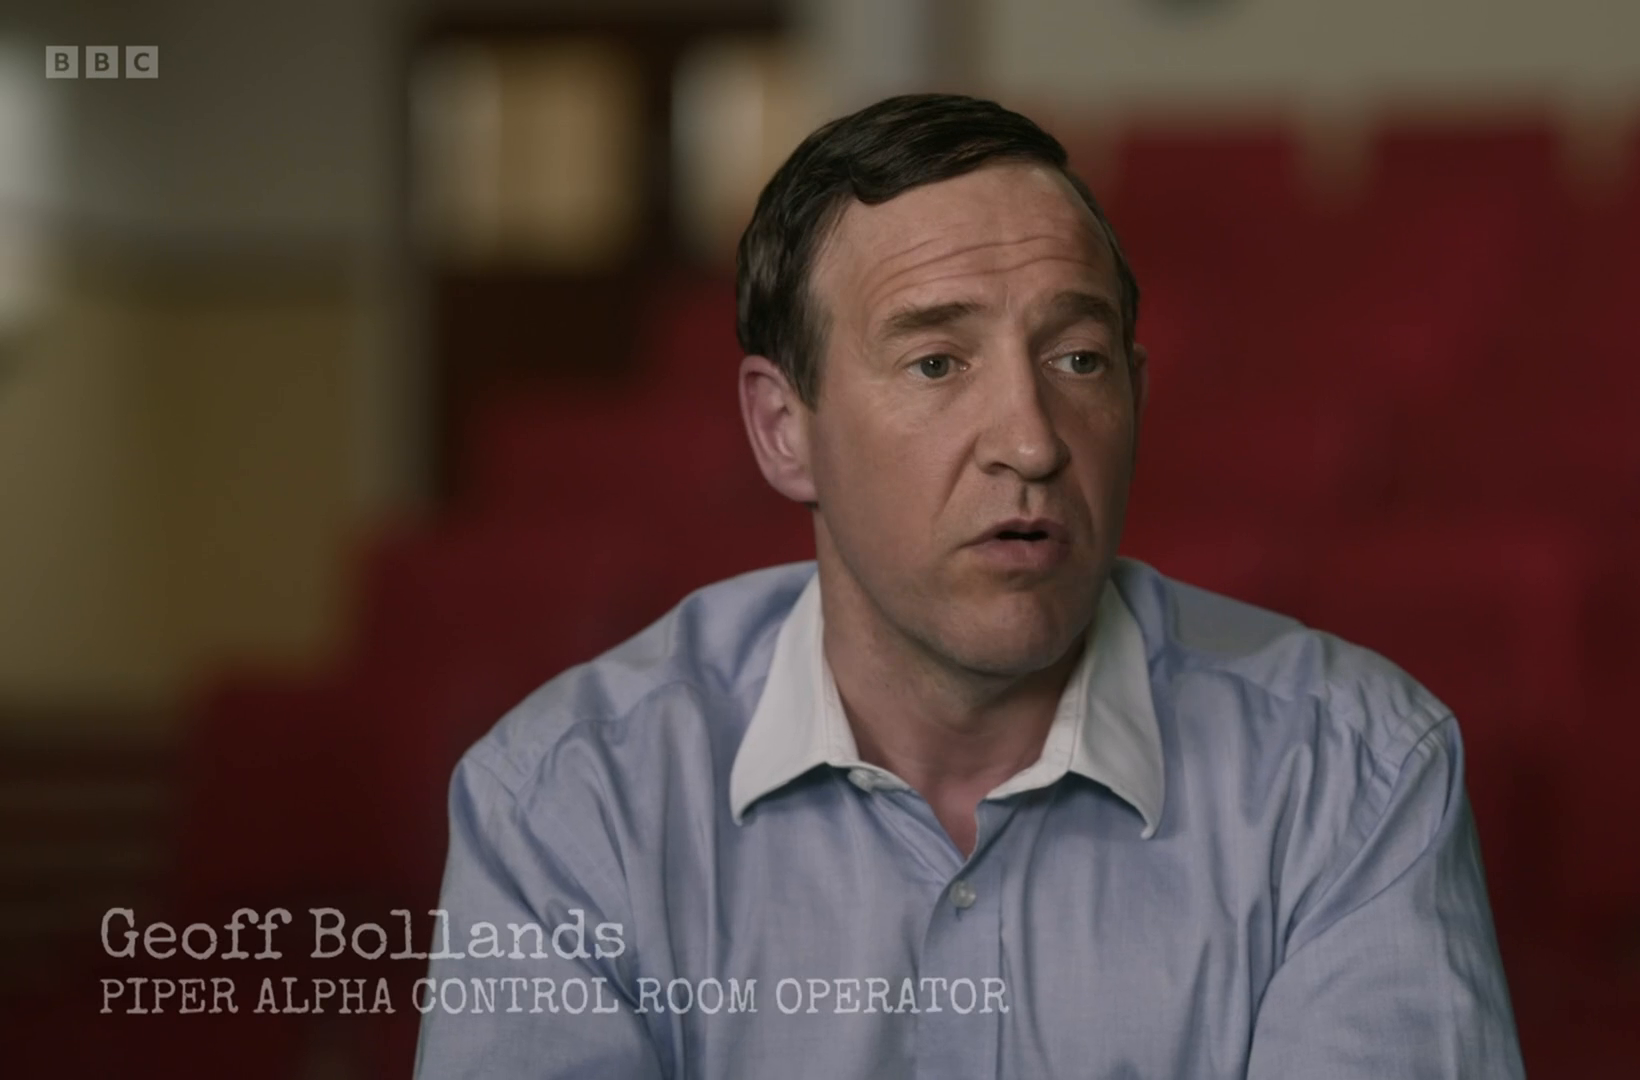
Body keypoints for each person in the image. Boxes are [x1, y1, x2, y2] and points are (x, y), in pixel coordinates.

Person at [414, 92, 1524, 1078]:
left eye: (1077, 360)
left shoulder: (1353, 773)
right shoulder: (571, 799)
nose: (1032, 442)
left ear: (1136, 399)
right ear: (783, 429)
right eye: (937, 363)